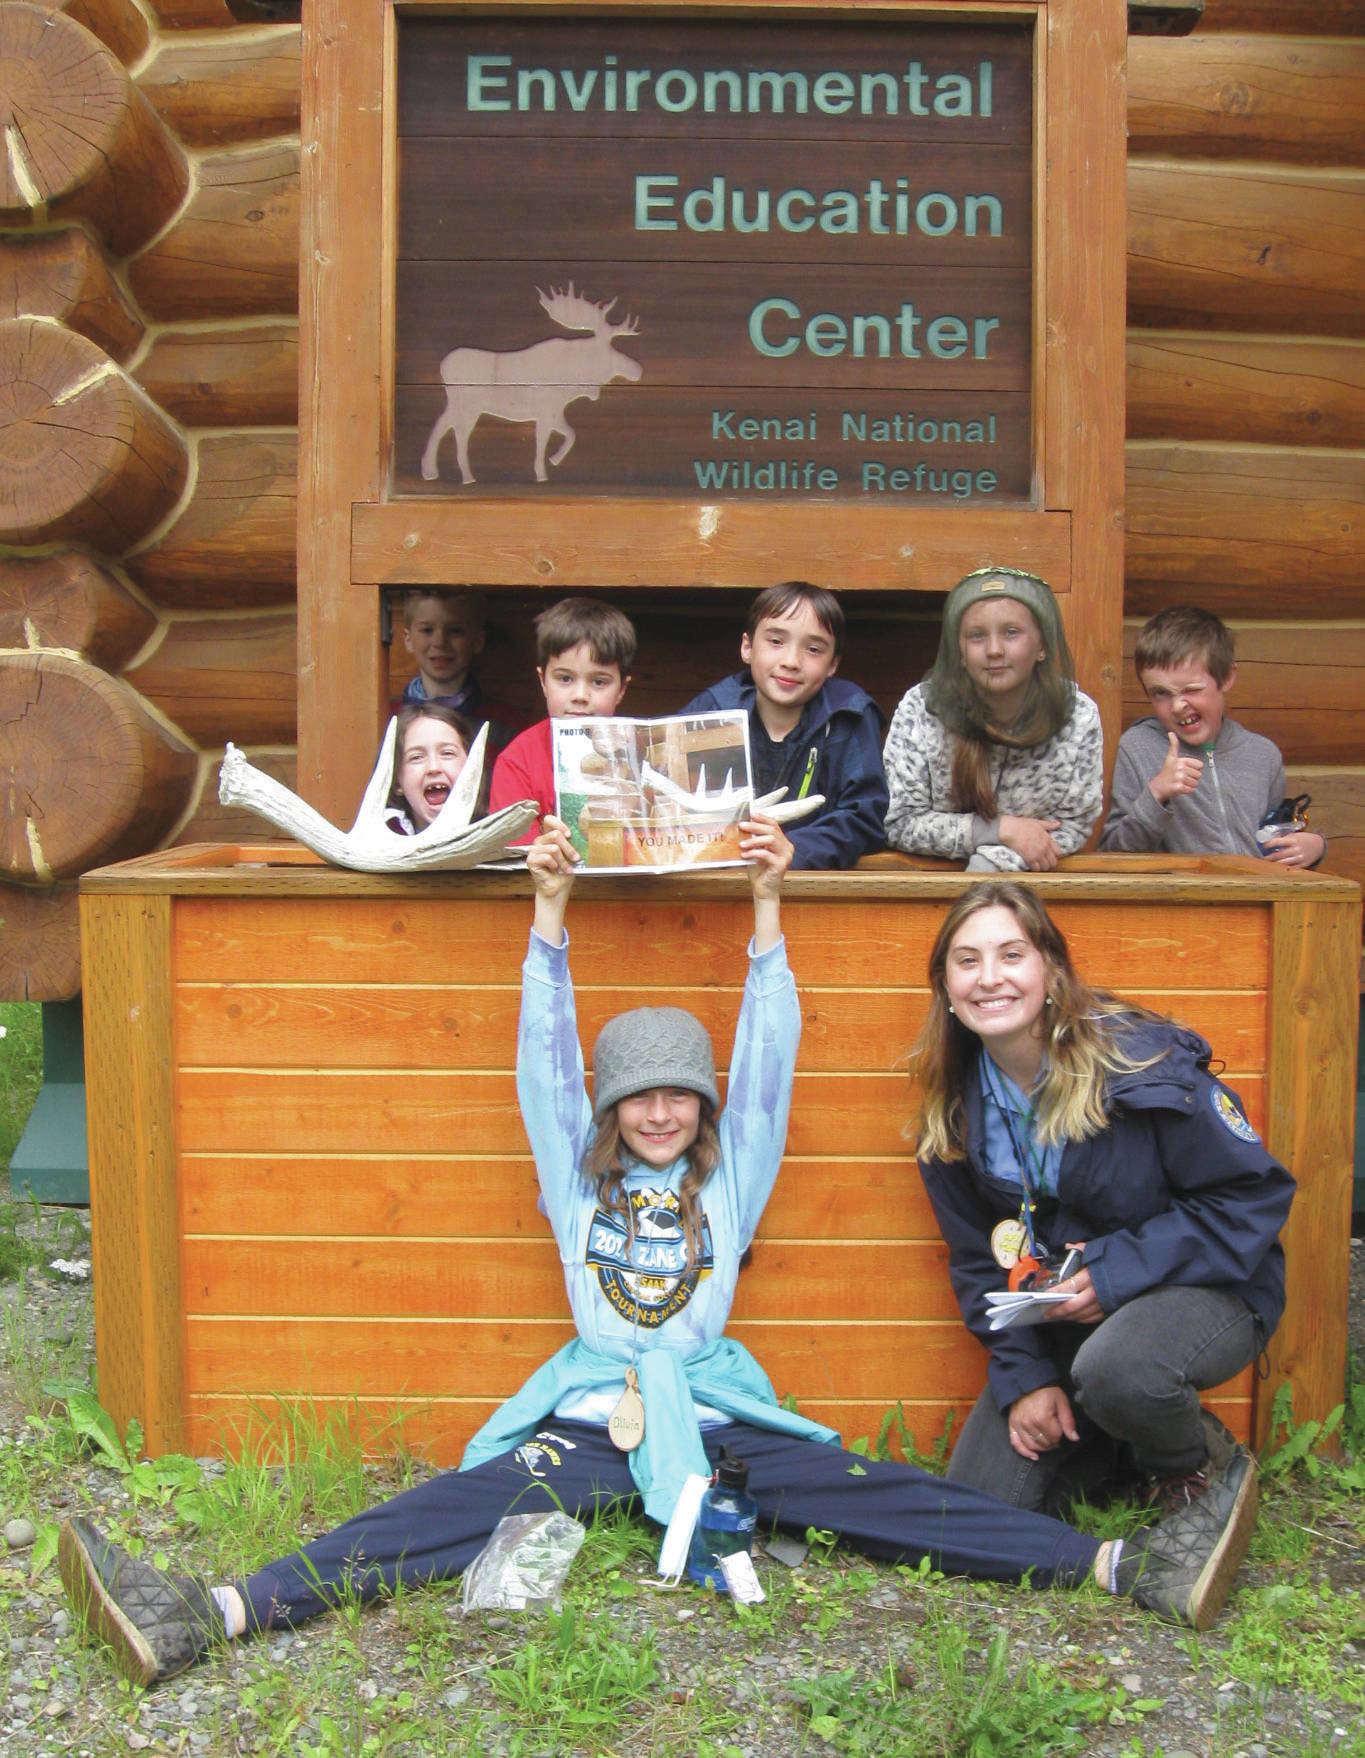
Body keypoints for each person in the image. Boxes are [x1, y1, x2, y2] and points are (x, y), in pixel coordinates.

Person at [61, 832, 1262, 1688]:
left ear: (706, 1106)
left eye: (682, 1096)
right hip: (599, 1407)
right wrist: (547, 921)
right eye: (636, 1099)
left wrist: (767, 917)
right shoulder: (570, 1175)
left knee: (884, 1496)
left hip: (720, 1404)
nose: (659, 1115)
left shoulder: (727, 1182)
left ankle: (1120, 1567)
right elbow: (543, 1069)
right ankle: (212, 1612)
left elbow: (771, 1062)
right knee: (457, 1507)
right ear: (607, 1110)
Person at [909, 879, 1294, 1519]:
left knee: (1122, 1371)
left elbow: (1252, 1198)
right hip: (1069, 1316)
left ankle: (1187, 1471)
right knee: (980, 1507)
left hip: (1208, 1285)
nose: (989, 978)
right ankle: (1119, 1438)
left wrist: (1116, 1270)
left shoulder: (1141, 1066)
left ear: (1052, 971)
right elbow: (982, 1264)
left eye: (1012, 954)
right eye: (967, 960)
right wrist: (1026, 1379)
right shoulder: (951, 1113)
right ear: (946, 987)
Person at [882, 568, 1102, 871]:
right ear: (959, 650)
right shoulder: (921, 708)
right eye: (977, 636)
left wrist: (994, 864)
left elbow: (1074, 825)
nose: (994, 650)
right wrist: (999, 830)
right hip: (931, 890)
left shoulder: (1077, 715)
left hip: (1033, 890)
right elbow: (898, 822)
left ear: (1041, 646)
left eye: (1011, 632)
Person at [680, 581, 888, 869]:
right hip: (722, 881)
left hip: (812, 886)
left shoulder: (849, 716)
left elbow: (864, 818)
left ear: (832, 665)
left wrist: (793, 848)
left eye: (814, 649)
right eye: (776, 642)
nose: (791, 661)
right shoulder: (713, 710)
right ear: (747, 647)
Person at [1099, 605, 1325, 866]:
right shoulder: (1139, 747)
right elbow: (1114, 854)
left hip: (1253, 900)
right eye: (1161, 693)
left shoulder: (1262, 755)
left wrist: (1314, 847)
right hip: (1180, 902)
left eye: (1192, 690)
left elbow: (1271, 843)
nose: (1177, 706)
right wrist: (1157, 793)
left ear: (1227, 677)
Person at [488, 597, 636, 840]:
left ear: (621, 689)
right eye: (565, 679)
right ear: (543, 681)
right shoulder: (517, 761)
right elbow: (514, 859)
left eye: (599, 682)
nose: (580, 696)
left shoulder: (640, 750)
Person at [394, 587, 525, 756]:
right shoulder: (386, 717)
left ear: (477, 640)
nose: (439, 642)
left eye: (455, 631)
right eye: (427, 630)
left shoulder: (507, 725)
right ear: (408, 639)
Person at [383, 702, 478, 834]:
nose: (433, 767)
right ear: (397, 782)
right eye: (416, 757)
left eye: (447, 753)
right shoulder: (381, 846)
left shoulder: (497, 842)